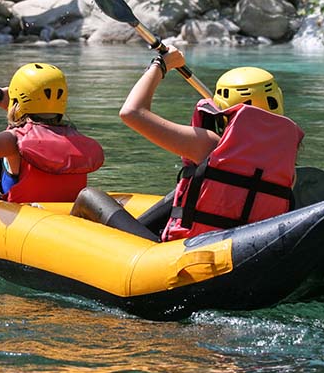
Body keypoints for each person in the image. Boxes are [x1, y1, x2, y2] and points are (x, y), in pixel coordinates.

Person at [71, 46, 303, 242]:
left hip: (185, 250)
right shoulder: (286, 158)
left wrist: (161, 64)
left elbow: (131, 112)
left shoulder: (208, 144)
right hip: (242, 247)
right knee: (190, 184)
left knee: (89, 196)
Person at [0, 60, 104, 203]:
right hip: (64, 219)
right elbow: (38, 131)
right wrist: (14, 108)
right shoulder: (74, 138)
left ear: (17, 101)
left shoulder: (13, 141)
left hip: (21, 223)